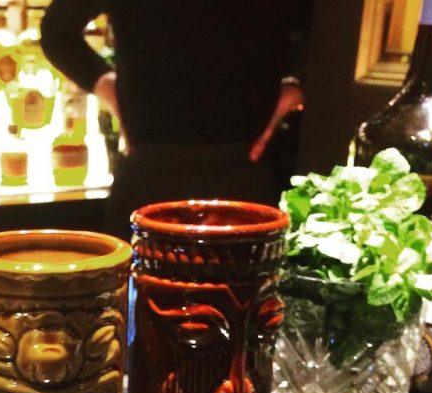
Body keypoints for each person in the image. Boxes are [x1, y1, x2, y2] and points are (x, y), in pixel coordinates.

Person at [40, 0, 310, 239]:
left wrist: (107, 86)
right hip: (239, 166)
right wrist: (297, 87)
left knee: (136, 280)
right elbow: (331, 31)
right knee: (248, 280)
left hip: (155, 167)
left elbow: (57, 32)